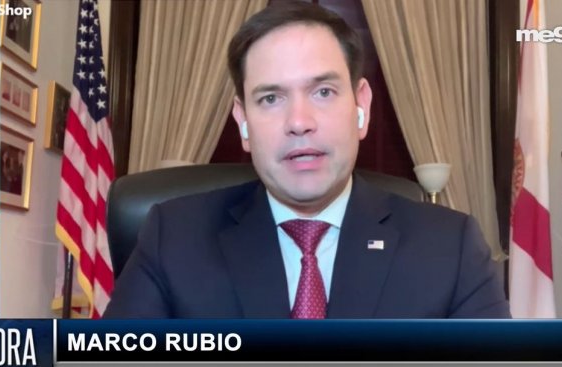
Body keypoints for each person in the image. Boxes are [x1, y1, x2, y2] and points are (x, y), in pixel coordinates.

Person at [104, 2, 510, 319]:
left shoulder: (450, 248)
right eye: (271, 98)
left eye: (323, 92)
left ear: (361, 107)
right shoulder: (173, 238)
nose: (299, 122)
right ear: (243, 122)